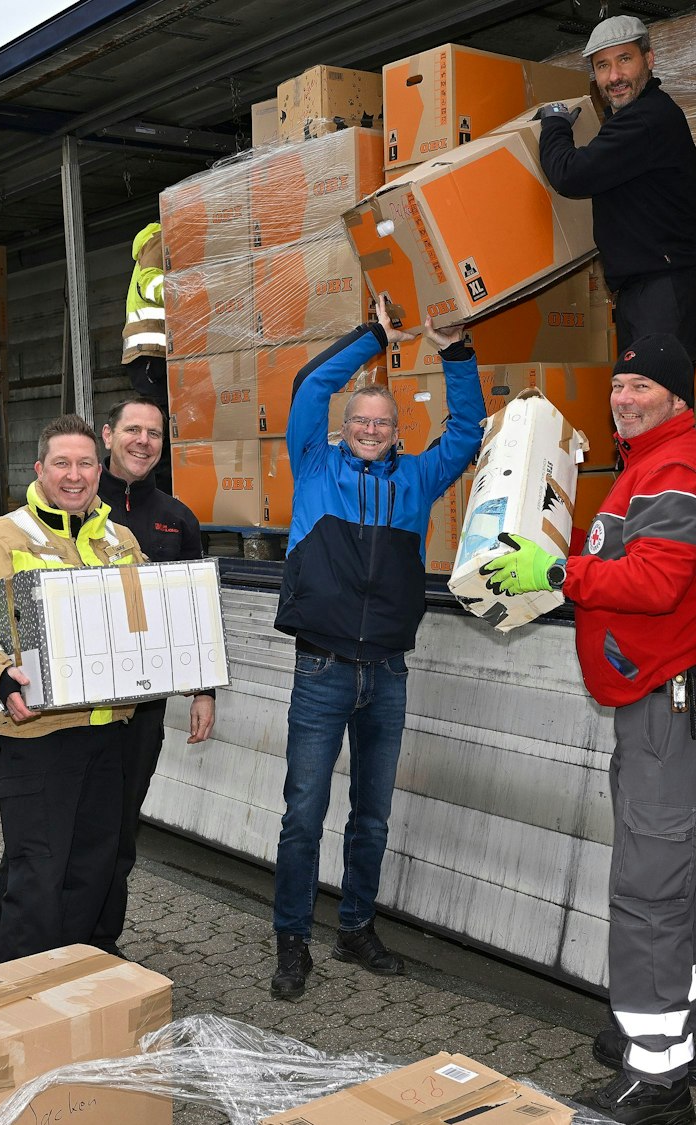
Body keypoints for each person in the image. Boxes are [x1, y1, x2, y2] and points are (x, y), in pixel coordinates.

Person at [480, 334, 696, 1125]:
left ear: (678, 398)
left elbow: (656, 585)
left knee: (647, 891)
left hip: (670, 704)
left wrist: (557, 572)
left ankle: (656, 1080)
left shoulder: (676, 472)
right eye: (620, 385)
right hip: (658, 705)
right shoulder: (644, 464)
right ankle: (666, 1031)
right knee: (657, 881)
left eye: (642, 388)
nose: (626, 397)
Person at [268, 298, 482, 1000]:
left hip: (387, 673)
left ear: (396, 433)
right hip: (323, 669)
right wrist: (374, 339)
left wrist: (455, 352)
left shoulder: (417, 480)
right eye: (360, 420)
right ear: (345, 427)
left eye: (382, 423)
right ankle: (292, 938)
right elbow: (309, 386)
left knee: (372, 814)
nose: (369, 429)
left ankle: (355, 925)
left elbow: (467, 432)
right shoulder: (313, 465)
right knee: (304, 811)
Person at [0, 414, 149, 976]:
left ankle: (71, 983)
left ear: (100, 470)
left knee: (92, 863)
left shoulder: (117, 539)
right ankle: (19, 991)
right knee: (39, 867)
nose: (74, 475)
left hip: (107, 729)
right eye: (62, 463)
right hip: (38, 731)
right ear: (39, 469)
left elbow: (149, 613)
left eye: (84, 464)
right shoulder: (1, 537)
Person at [90, 395, 216, 956]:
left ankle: (102, 939)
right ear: (107, 434)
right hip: (79, 699)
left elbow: (196, 610)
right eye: (132, 430)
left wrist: (203, 688)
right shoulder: (79, 501)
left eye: (155, 434)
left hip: (144, 702)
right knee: (64, 824)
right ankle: (37, 938)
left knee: (121, 827)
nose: (143, 441)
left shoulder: (177, 518)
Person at [537, 15, 696, 375]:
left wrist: (553, 124)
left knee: (655, 401)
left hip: (663, 286)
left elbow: (570, 173)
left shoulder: (647, 119)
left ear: (649, 59)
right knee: (639, 403)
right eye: (602, 66)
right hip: (646, 287)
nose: (614, 76)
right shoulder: (630, 122)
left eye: (624, 60)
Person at [122, 222, 168, 407]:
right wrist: (187, 298)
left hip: (153, 349)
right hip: (150, 348)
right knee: (161, 411)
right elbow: (148, 284)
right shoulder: (159, 237)